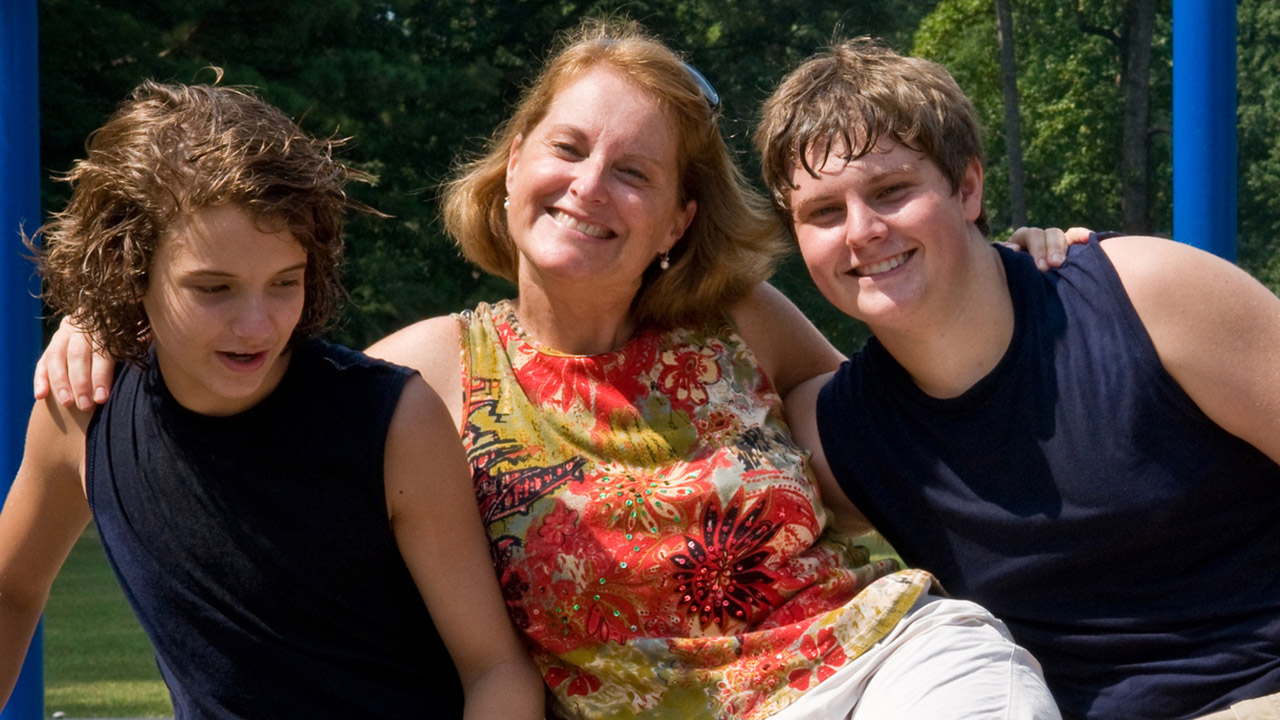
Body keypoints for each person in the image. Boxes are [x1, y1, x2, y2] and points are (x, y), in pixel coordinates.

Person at [29, 21, 1077, 720]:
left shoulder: (736, 321)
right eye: (567, 149)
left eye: (633, 173)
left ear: (676, 220)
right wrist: (101, 315)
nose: (589, 188)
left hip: (880, 668)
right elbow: (249, 353)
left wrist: (1004, 269)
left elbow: (893, 405)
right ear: (515, 159)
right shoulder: (428, 374)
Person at [756, 37, 1280, 720]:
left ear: (968, 187)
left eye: (891, 191)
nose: (861, 231)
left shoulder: (1150, 298)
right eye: (824, 212)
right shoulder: (839, 439)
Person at [0, 79, 543, 719]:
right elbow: (10, 592)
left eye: (285, 282)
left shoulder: (395, 422)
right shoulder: (79, 411)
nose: (257, 325)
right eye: (214, 288)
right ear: (128, 272)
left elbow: (497, 670)